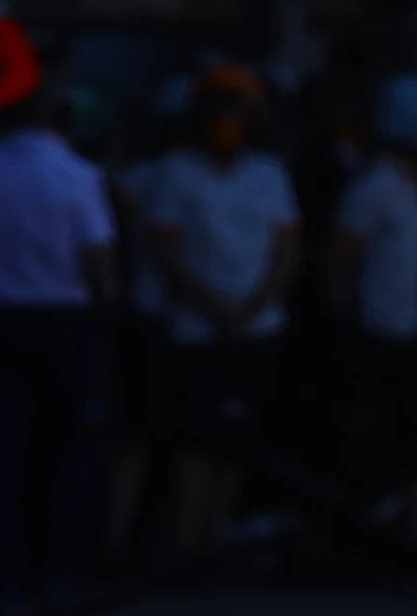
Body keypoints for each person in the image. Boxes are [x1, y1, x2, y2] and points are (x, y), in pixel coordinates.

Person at [0, 72, 116, 611]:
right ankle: (57, 573)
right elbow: (99, 260)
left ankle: (7, 577)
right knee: (64, 456)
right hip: (60, 322)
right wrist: (107, 311)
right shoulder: (78, 176)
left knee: (0, 457)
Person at [125, 64, 297, 567]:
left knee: (236, 442)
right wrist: (214, 305)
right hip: (196, 329)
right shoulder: (178, 172)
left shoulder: (268, 175)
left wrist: (257, 303)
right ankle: (186, 545)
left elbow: (288, 246)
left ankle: (215, 544)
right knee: (194, 442)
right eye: (220, 110)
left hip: (257, 326)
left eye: (237, 111)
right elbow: (165, 250)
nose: (229, 121)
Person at [328, 76, 417, 546]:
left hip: (413, 331)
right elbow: (341, 258)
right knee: (375, 443)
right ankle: (373, 541)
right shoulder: (375, 186)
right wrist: (343, 324)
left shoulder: (416, 185)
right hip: (376, 332)